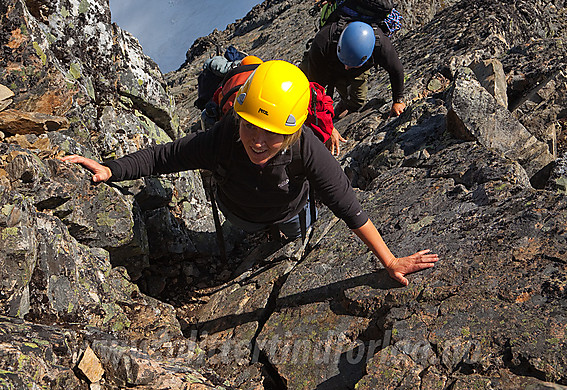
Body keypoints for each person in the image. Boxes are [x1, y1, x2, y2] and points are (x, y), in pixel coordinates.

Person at [62, 61, 437, 286]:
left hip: (276, 214)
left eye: (272, 134)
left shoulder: (308, 149)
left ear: (291, 132)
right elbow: (166, 157)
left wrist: (389, 261)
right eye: (250, 126)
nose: (257, 141)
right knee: (264, 233)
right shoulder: (224, 136)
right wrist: (111, 168)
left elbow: (349, 207)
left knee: (287, 230)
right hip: (245, 215)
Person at [300, 19, 406, 119]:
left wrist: (398, 101)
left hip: (356, 71)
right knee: (304, 95)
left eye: (352, 64)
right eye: (345, 63)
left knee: (357, 103)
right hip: (325, 63)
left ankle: (344, 105)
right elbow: (316, 88)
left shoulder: (381, 46)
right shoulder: (323, 42)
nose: (347, 68)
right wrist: (326, 123)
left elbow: (396, 71)